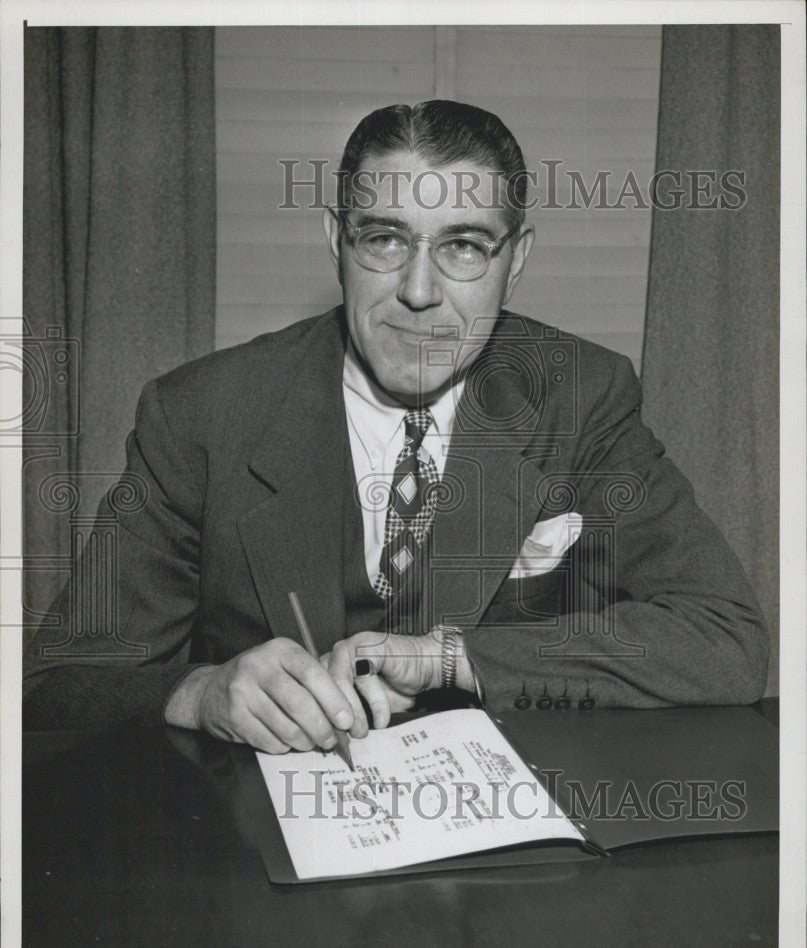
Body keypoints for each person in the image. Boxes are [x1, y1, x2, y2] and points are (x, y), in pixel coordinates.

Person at [23, 100, 769, 753]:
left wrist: (455, 658)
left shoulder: (578, 394)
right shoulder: (201, 414)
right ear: (336, 242)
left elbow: (723, 642)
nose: (418, 292)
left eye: (464, 246)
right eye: (385, 239)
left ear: (516, 261)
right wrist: (202, 693)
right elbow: (61, 683)